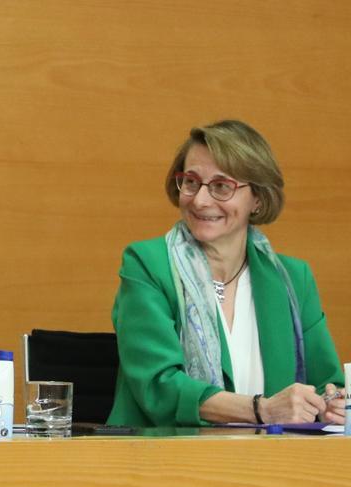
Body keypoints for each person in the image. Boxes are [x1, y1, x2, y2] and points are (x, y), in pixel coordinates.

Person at [108, 119, 344, 427]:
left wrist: (328, 405)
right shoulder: (147, 263)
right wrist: (262, 410)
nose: (200, 199)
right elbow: (158, 386)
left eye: (221, 186)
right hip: (160, 462)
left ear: (257, 198)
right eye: (191, 181)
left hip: (275, 466)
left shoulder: (294, 279)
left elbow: (328, 383)